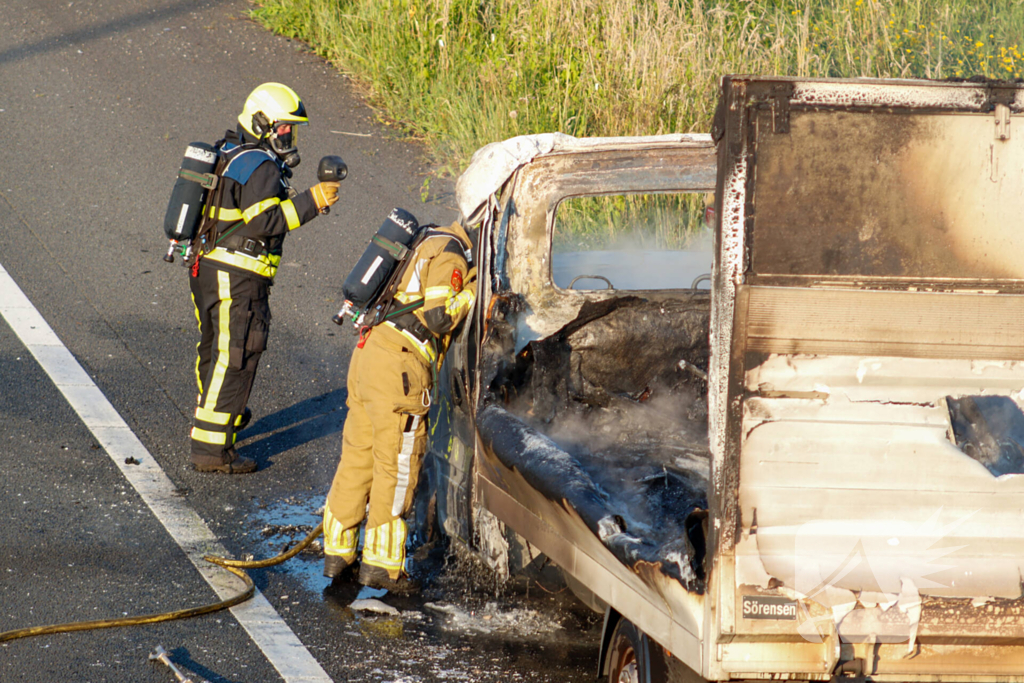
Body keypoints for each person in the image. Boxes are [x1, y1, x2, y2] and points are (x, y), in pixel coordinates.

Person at [188, 82, 340, 474]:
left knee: (218, 349)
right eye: (285, 128)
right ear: (261, 123)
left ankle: (218, 418)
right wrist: (313, 200)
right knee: (235, 354)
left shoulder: (232, 152)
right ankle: (211, 449)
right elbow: (265, 222)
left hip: (209, 269)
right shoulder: (261, 165)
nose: (290, 136)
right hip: (236, 274)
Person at [322, 215, 476, 592]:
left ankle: (338, 552)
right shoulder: (451, 252)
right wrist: (474, 290)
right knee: (397, 464)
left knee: (358, 456)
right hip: (399, 370)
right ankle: (382, 565)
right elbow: (440, 317)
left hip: (368, 355)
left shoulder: (425, 237)